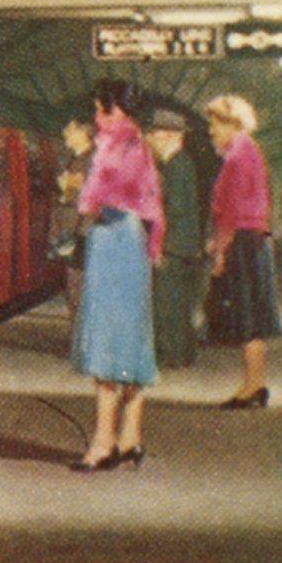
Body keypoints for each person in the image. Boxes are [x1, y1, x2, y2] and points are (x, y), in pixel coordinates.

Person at [70, 81, 160, 470]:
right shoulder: (140, 146)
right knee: (132, 341)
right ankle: (131, 437)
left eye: (101, 110)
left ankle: (103, 443)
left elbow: (92, 201)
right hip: (134, 242)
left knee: (107, 343)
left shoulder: (112, 147)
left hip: (112, 244)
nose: (96, 117)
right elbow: (151, 205)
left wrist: (82, 196)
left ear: (118, 112)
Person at [202, 94, 277, 408]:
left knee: (247, 316)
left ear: (231, 124)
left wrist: (220, 249)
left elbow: (231, 211)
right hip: (253, 240)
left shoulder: (237, 157)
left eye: (215, 124)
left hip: (243, 242)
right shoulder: (249, 152)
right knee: (252, 316)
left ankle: (252, 387)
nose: (210, 131)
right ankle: (254, 384)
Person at [147, 108, 205, 371]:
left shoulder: (178, 166)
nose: (153, 138)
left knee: (168, 302)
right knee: (178, 302)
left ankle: (173, 354)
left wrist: (159, 244)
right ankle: (181, 354)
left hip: (174, 245)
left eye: (156, 133)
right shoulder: (180, 163)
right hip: (182, 245)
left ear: (171, 135)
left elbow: (175, 208)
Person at [51, 117, 93, 324]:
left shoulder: (91, 160)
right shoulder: (73, 159)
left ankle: (82, 343)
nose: (65, 134)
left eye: (70, 130)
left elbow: (88, 200)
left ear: (84, 133)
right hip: (69, 233)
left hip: (80, 233)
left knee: (78, 288)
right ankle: (78, 340)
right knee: (72, 287)